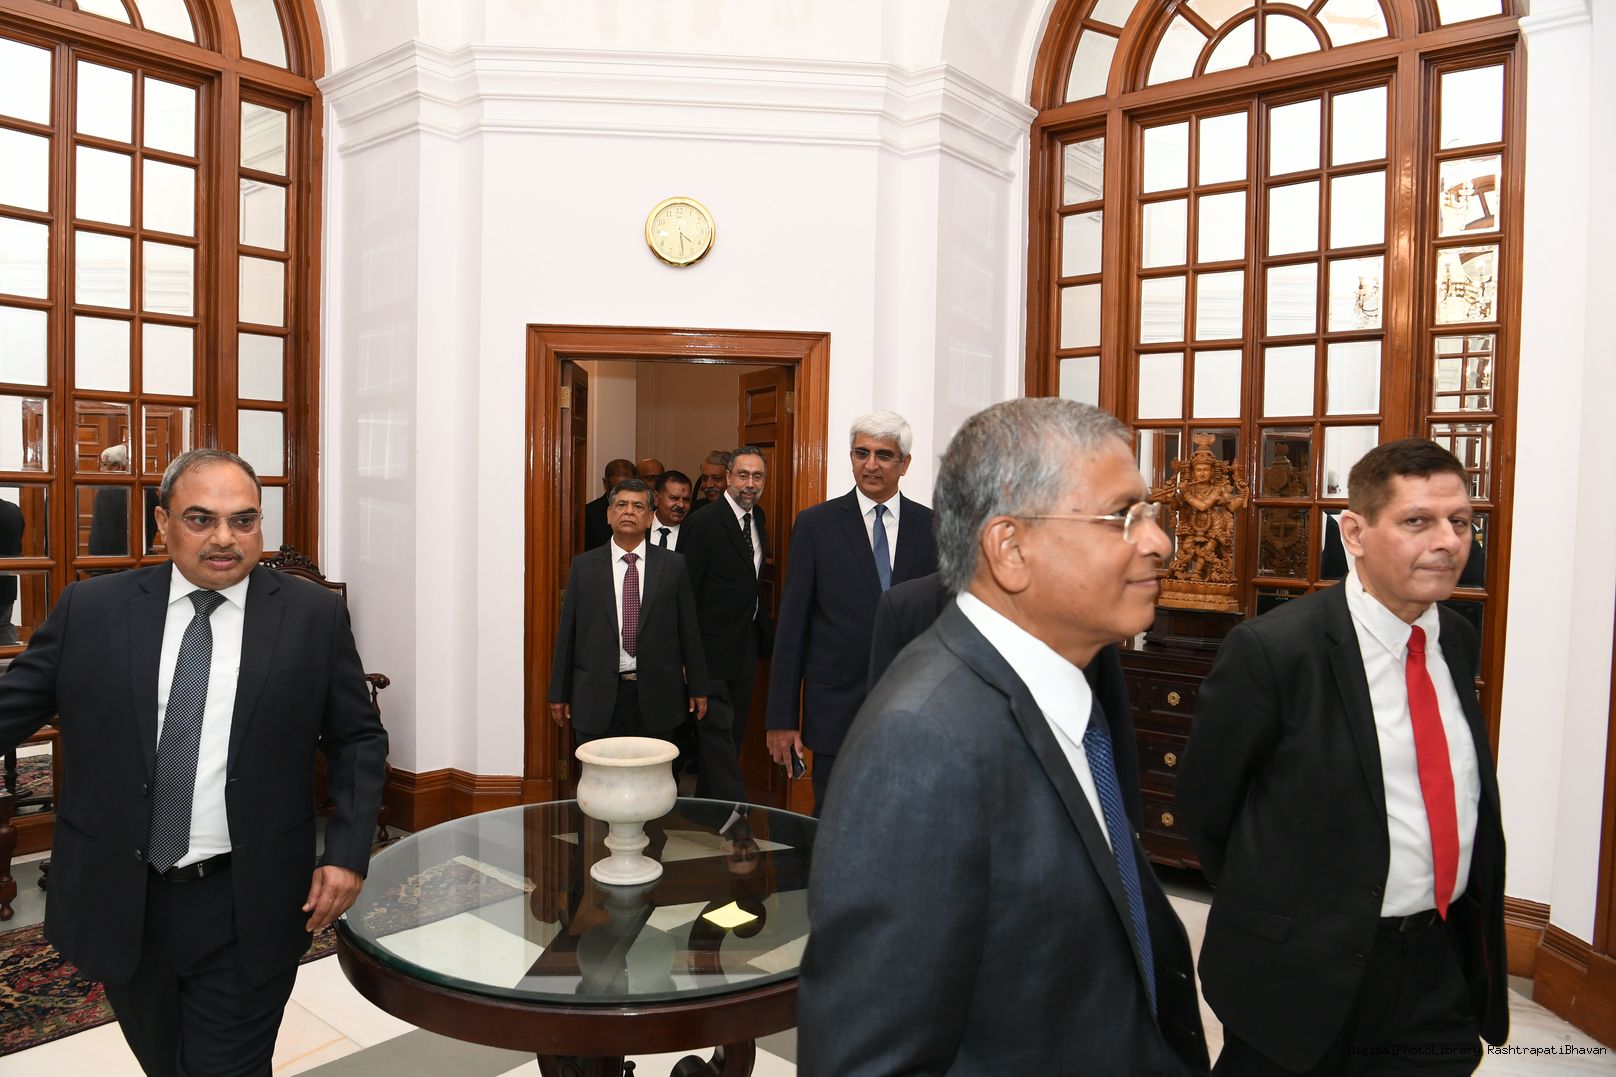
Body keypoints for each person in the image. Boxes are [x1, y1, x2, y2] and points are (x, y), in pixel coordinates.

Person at [798, 399, 1208, 1075]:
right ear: (1011, 548)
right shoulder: (920, 743)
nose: (1160, 543)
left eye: (1150, 513)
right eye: (1123, 516)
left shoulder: (1066, 685)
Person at [0, 447, 387, 1076]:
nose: (224, 539)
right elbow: (11, 709)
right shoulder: (91, 609)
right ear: (163, 523)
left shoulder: (312, 616)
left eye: (243, 520)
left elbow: (358, 739)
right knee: (164, 1061)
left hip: (250, 897)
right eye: (201, 519)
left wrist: (346, 852)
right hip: (122, 895)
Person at [1179, 438, 1507, 1075]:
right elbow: (1207, 808)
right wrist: (1281, 910)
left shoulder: (1457, 639)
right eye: (1418, 521)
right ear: (1354, 533)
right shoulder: (1274, 651)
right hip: (1302, 974)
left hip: (1437, 966)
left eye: (1461, 522)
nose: (1448, 541)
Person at [765, 410, 937, 812]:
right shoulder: (816, 525)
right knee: (833, 820)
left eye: (884, 455)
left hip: (913, 709)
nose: (870, 464)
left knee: (902, 822)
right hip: (835, 708)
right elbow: (792, 628)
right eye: (862, 453)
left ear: (905, 463)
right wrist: (782, 718)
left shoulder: (933, 527)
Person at [549, 479, 707, 744]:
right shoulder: (584, 567)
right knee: (601, 769)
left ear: (650, 518)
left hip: (657, 696)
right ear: (609, 515)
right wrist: (559, 692)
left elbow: (688, 630)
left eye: (638, 506)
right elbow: (568, 633)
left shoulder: (673, 565)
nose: (629, 511)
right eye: (621, 505)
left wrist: (698, 687)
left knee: (654, 769)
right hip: (596, 695)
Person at [679, 446, 770, 806]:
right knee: (717, 732)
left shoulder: (758, 517)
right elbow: (685, 593)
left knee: (733, 730)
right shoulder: (703, 522)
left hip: (745, 644)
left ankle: (704, 809)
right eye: (743, 475)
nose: (750, 483)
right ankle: (736, 815)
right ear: (729, 477)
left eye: (757, 476)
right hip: (709, 649)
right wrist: (686, 656)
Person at [583, 458, 637, 550]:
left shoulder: (643, 511)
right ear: (605, 483)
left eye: (627, 488)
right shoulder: (588, 514)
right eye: (617, 490)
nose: (622, 495)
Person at [89, 443, 132, 556]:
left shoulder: (107, 493)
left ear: (117, 466)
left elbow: (102, 534)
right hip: (134, 555)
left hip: (109, 559)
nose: (101, 469)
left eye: (104, 465)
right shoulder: (148, 492)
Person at [647, 469, 693, 551]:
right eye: (674, 498)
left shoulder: (695, 533)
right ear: (656, 498)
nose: (681, 505)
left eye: (686, 500)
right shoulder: (639, 526)